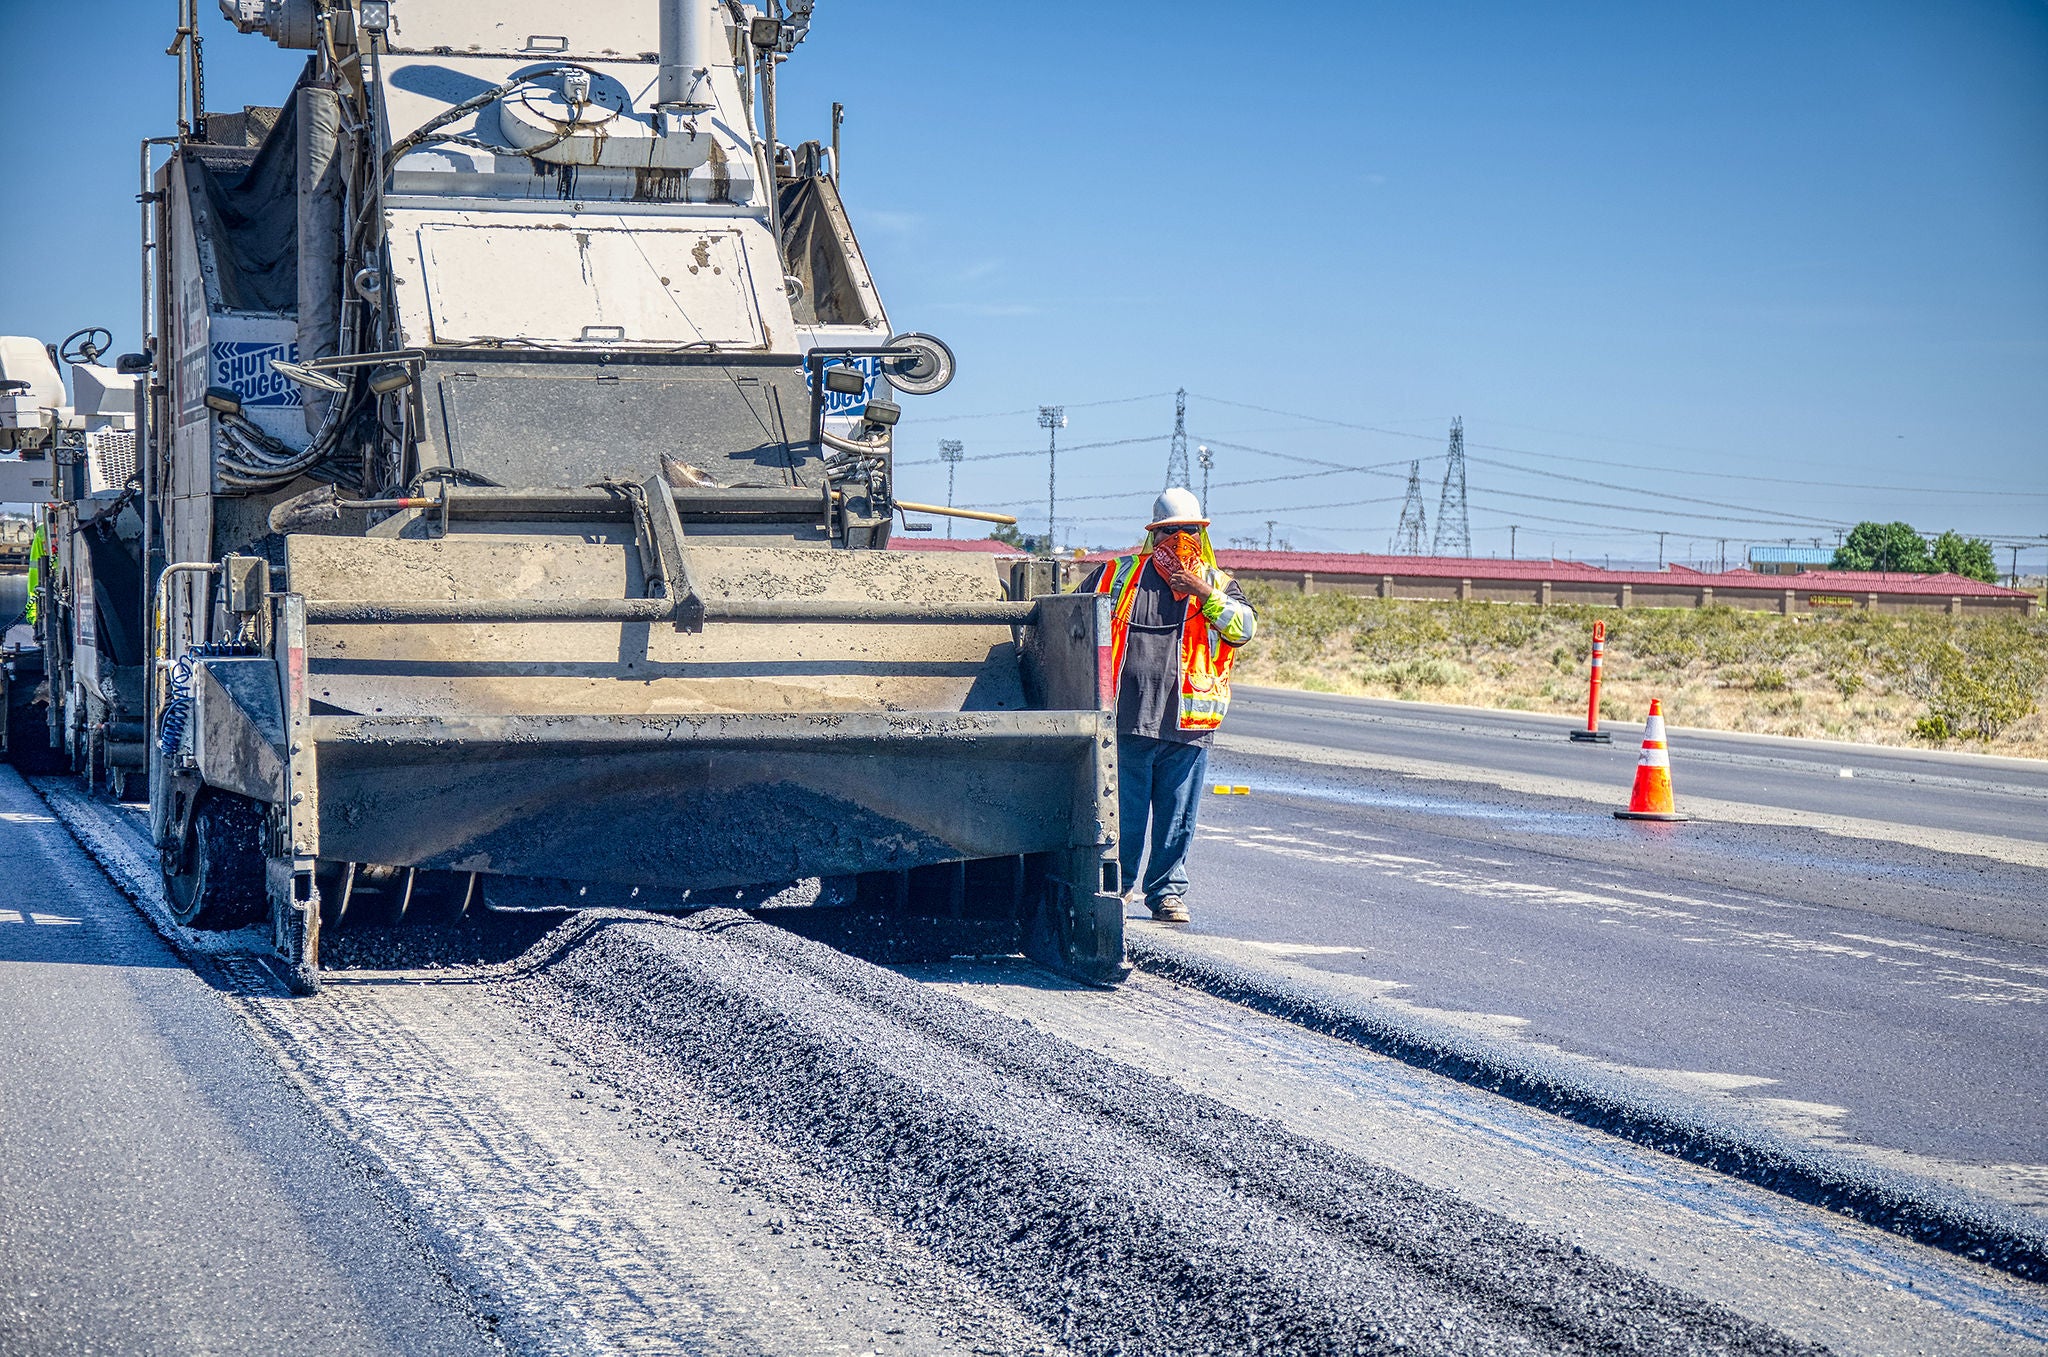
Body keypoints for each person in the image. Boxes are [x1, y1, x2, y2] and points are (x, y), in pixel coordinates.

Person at [1076, 488, 1255, 923]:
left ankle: (1167, 894)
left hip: (1189, 722)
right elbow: (1071, 617)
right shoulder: (1115, 577)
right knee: (1128, 817)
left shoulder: (1218, 585)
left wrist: (1200, 591)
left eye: (1189, 532)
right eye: (1170, 532)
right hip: (1128, 717)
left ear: (1201, 534)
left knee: (1178, 819)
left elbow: (1243, 629)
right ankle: (1118, 888)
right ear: (1154, 537)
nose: (1180, 540)